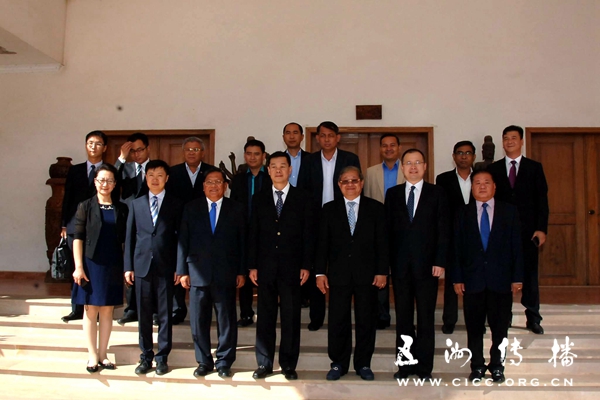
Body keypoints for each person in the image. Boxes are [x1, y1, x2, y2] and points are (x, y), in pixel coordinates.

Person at [316, 166, 388, 381]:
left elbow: (383, 243)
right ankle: (338, 363)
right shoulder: (329, 209)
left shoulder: (376, 208)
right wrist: (320, 273)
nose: (350, 185)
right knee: (338, 320)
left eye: (354, 180)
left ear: (362, 183)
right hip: (338, 275)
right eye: (345, 181)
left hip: (368, 275)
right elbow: (322, 244)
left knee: (366, 319)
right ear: (339, 185)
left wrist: (382, 271)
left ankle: (363, 363)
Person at [248, 152, 315, 380]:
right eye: (274, 166)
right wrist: (252, 265)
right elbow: (253, 233)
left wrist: (306, 265)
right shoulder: (259, 198)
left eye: (283, 166)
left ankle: (288, 364)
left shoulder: (303, 197)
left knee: (291, 317)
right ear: (268, 170)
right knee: (265, 317)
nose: (278, 170)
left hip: (292, 267)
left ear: (290, 170)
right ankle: (264, 363)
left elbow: (308, 234)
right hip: (265, 266)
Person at [453, 170, 524, 383]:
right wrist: (457, 278)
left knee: (500, 327)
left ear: (494, 187)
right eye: (477, 183)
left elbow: (517, 247)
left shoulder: (509, 211)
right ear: (472, 187)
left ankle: (497, 365)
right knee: (474, 327)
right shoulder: (462, 213)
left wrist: (517, 277)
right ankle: (476, 365)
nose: (482, 186)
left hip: (500, 280)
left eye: (486, 182)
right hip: (472, 280)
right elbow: (456, 248)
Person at [385, 149, 449, 381]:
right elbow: (387, 232)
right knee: (403, 318)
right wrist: (386, 264)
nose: (413, 167)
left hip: (428, 267)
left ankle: (424, 368)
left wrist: (440, 261)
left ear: (425, 167)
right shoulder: (393, 194)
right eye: (408, 163)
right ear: (402, 168)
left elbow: (443, 230)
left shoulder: (437, 193)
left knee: (425, 318)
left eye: (417, 163)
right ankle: (404, 366)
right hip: (400, 267)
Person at [177, 168, 246, 378]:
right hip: (197, 272)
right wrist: (182, 271)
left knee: (226, 320)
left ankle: (224, 361)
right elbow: (183, 241)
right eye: (209, 182)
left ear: (225, 186)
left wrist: (241, 271)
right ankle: (203, 361)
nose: (213, 186)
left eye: (218, 182)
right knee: (199, 320)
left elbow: (243, 243)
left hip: (226, 272)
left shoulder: (237, 209)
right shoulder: (191, 208)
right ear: (203, 186)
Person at [297, 121, 361, 331]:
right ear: (317, 138)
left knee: (341, 264)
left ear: (337, 138)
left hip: (343, 218)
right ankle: (316, 316)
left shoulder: (350, 159)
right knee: (318, 266)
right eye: (323, 135)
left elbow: (356, 187)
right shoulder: (309, 161)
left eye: (330, 135)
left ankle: (343, 312)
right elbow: (303, 191)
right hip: (316, 220)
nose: (326, 139)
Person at [487, 125, 549, 334]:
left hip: (528, 232)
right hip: (501, 232)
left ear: (521, 141)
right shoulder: (494, 169)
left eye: (514, 138)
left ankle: (533, 318)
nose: (509, 141)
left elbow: (542, 201)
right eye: (506, 138)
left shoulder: (534, 168)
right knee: (502, 276)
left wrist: (541, 229)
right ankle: (504, 316)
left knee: (529, 275)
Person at [124, 160, 183, 376]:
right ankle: (146, 356)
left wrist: (179, 267)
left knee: (165, 315)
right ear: (146, 178)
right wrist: (128, 266)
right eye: (151, 175)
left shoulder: (176, 204)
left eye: (159, 175)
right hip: (141, 267)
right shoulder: (136, 204)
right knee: (144, 314)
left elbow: (181, 239)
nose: (155, 179)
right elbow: (130, 237)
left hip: (166, 267)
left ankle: (162, 357)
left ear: (167, 178)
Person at [71, 164, 127, 372]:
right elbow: (78, 238)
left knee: (107, 309)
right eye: (101, 180)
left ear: (115, 184)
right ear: (95, 182)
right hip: (90, 264)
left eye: (109, 180)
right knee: (91, 309)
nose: (105, 184)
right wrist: (78, 267)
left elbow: (125, 239)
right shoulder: (85, 206)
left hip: (113, 263)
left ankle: (103, 354)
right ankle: (92, 355)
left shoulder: (122, 208)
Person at [60, 130, 115, 323]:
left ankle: (97, 306)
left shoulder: (108, 171)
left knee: (96, 267)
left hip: (100, 226)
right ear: (85, 146)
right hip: (75, 225)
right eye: (90, 143)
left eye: (98, 143)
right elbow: (67, 198)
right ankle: (76, 308)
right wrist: (64, 224)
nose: (93, 147)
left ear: (105, 148)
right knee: (76, 266)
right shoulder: (75, 170)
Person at [165, 137, 215, 325]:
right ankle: (177, 308)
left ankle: (207, 307)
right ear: (183, 152)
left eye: (196, 149)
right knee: (179, 268)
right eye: (188, 149)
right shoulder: (173, 173)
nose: (192, 153)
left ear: (203, 152)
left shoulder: (210, 172)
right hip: (178, 227)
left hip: (205, 228)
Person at [363, 133, 405, 330]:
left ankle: (404, 315)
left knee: (401, 275)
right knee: (379, 272)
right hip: (377, 230)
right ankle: (382, 315)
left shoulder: (407, 169)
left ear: (399, 148)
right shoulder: (370, 172)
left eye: (392, 145)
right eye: (385, 145)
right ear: (380, 149)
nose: (388, 148)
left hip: (402, 230)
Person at [229, 139, 272, 327]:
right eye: (249, 154)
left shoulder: (270, 177)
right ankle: (246, 313)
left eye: (256, 154)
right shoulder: (238, 179)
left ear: (264, 156)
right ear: (244, 156)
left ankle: (266, 314)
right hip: (243, 232)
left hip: (266, 233)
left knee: (265, 275)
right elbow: (233, 206)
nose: (252, 157)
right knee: (244, 274)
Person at [435, 140, 476, 334]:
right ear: (454, 156)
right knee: (452, 280)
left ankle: (474, 320)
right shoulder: (443, 179)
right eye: (460, 153)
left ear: (473, 157)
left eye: (468, 153)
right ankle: (449, 320)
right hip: (452, 237)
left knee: (475, 281)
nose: (464, 156)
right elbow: (441, 211)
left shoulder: (481, 177)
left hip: (477, 237)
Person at [115, 132, 151, 325]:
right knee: (130, 266)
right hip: (129, 222)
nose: (137, 154)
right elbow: (111, 180)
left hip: (151, 223)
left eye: (140, 150)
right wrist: (121, 158)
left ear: (148, 149)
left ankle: (153, 309)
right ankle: (131, 309)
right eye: (133, 151)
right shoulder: (125, 168)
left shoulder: (156, 169)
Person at [282, 122, 310, 187]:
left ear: (302, 137)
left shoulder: (311, 159)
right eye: (288, 133)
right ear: (283, 137)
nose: (292, 137)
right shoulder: (278, 159)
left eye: (295, 133)